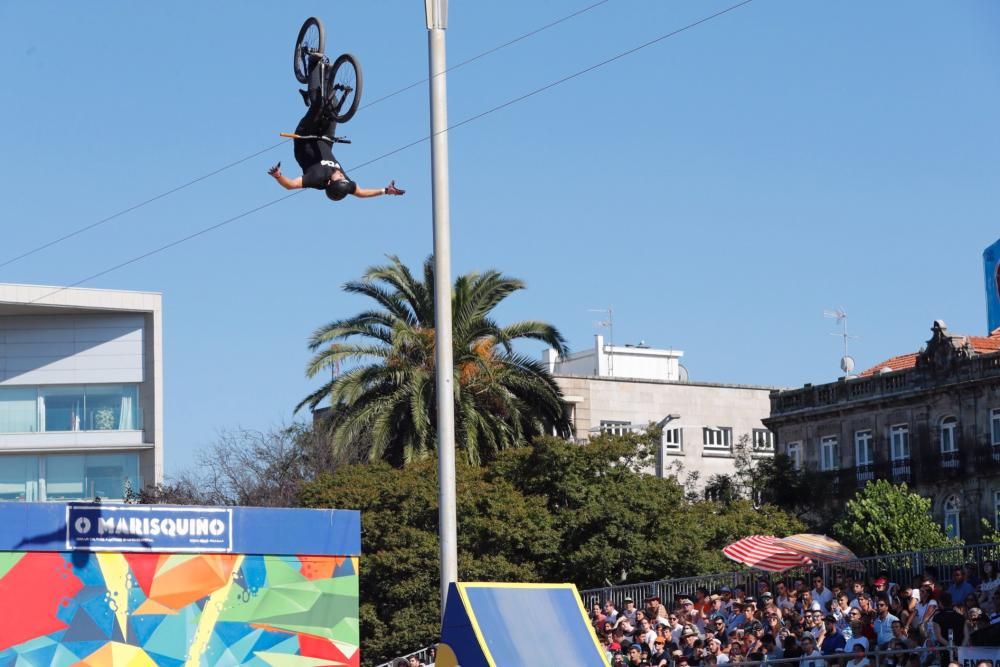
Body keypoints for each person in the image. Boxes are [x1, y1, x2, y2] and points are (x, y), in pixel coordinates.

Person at [268, 56, 404, 201]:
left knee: (318, 104)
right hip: (325, 139)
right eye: (344, 178)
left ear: (330, 182)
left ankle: (313, 63)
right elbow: (361, 193)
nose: (342, 174)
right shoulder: (345, 183)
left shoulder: (316, 179)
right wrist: (385, 191)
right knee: (334, 105)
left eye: (339, 178)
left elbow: (291, 185)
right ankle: (327, 75)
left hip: (304, 137)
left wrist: (278, 176)